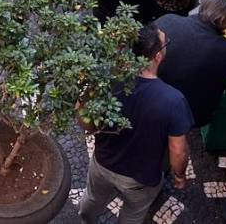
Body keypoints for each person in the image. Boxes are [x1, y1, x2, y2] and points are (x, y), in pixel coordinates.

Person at [79, 24, 192, 224]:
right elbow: (178, 150)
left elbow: (85, 116)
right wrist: (180, 175)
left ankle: (86, 219)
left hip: (102, 163)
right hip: (140, 177)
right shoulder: (173, 101)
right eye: (166, 42)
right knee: (133, 213)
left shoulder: (107, 80)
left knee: (93, 197)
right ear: (157, 56)